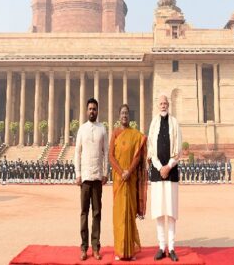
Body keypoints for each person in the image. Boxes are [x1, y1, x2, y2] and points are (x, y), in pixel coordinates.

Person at [109, 104, 147, 261]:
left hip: (130, 180)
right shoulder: (115, 134)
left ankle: (130, 251)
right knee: (119, 216)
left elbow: (138, 157)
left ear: (130, 116)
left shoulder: (136, 135)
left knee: (130, 214)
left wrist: (128, 172)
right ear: (119, 116)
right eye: (122, 113)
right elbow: (111, 156)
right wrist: (120, 172)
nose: (124, 115)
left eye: (127, 113)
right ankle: (119, 251)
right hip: (119, 180)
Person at [147, 94, 181, 262]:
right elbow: (151, 149)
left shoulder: (175, 123)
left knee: (171, 212)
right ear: (157, 105)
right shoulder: (153, 124)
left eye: (165, 103)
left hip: (172, 171)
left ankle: (172, 247)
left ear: (169, 105)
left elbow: (178, 149)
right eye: (160, 103)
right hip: (157, 172)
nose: (163, 105)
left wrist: (169, 166)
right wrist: (161, 167)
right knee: (160, 212)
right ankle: (162, 246)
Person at [74, 98, 108, 261]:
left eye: (94, 109)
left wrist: (105, 172)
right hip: (85, 177)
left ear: (97, 111)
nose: (92, 111)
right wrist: (77, 173)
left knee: (96, 213)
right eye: (90, 109)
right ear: (86, 111)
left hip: (97, 177)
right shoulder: (82, 129)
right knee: (83, 213)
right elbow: (77, 153)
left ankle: (95, 247)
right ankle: (83, 247)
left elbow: (106, 152)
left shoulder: (102, 129)